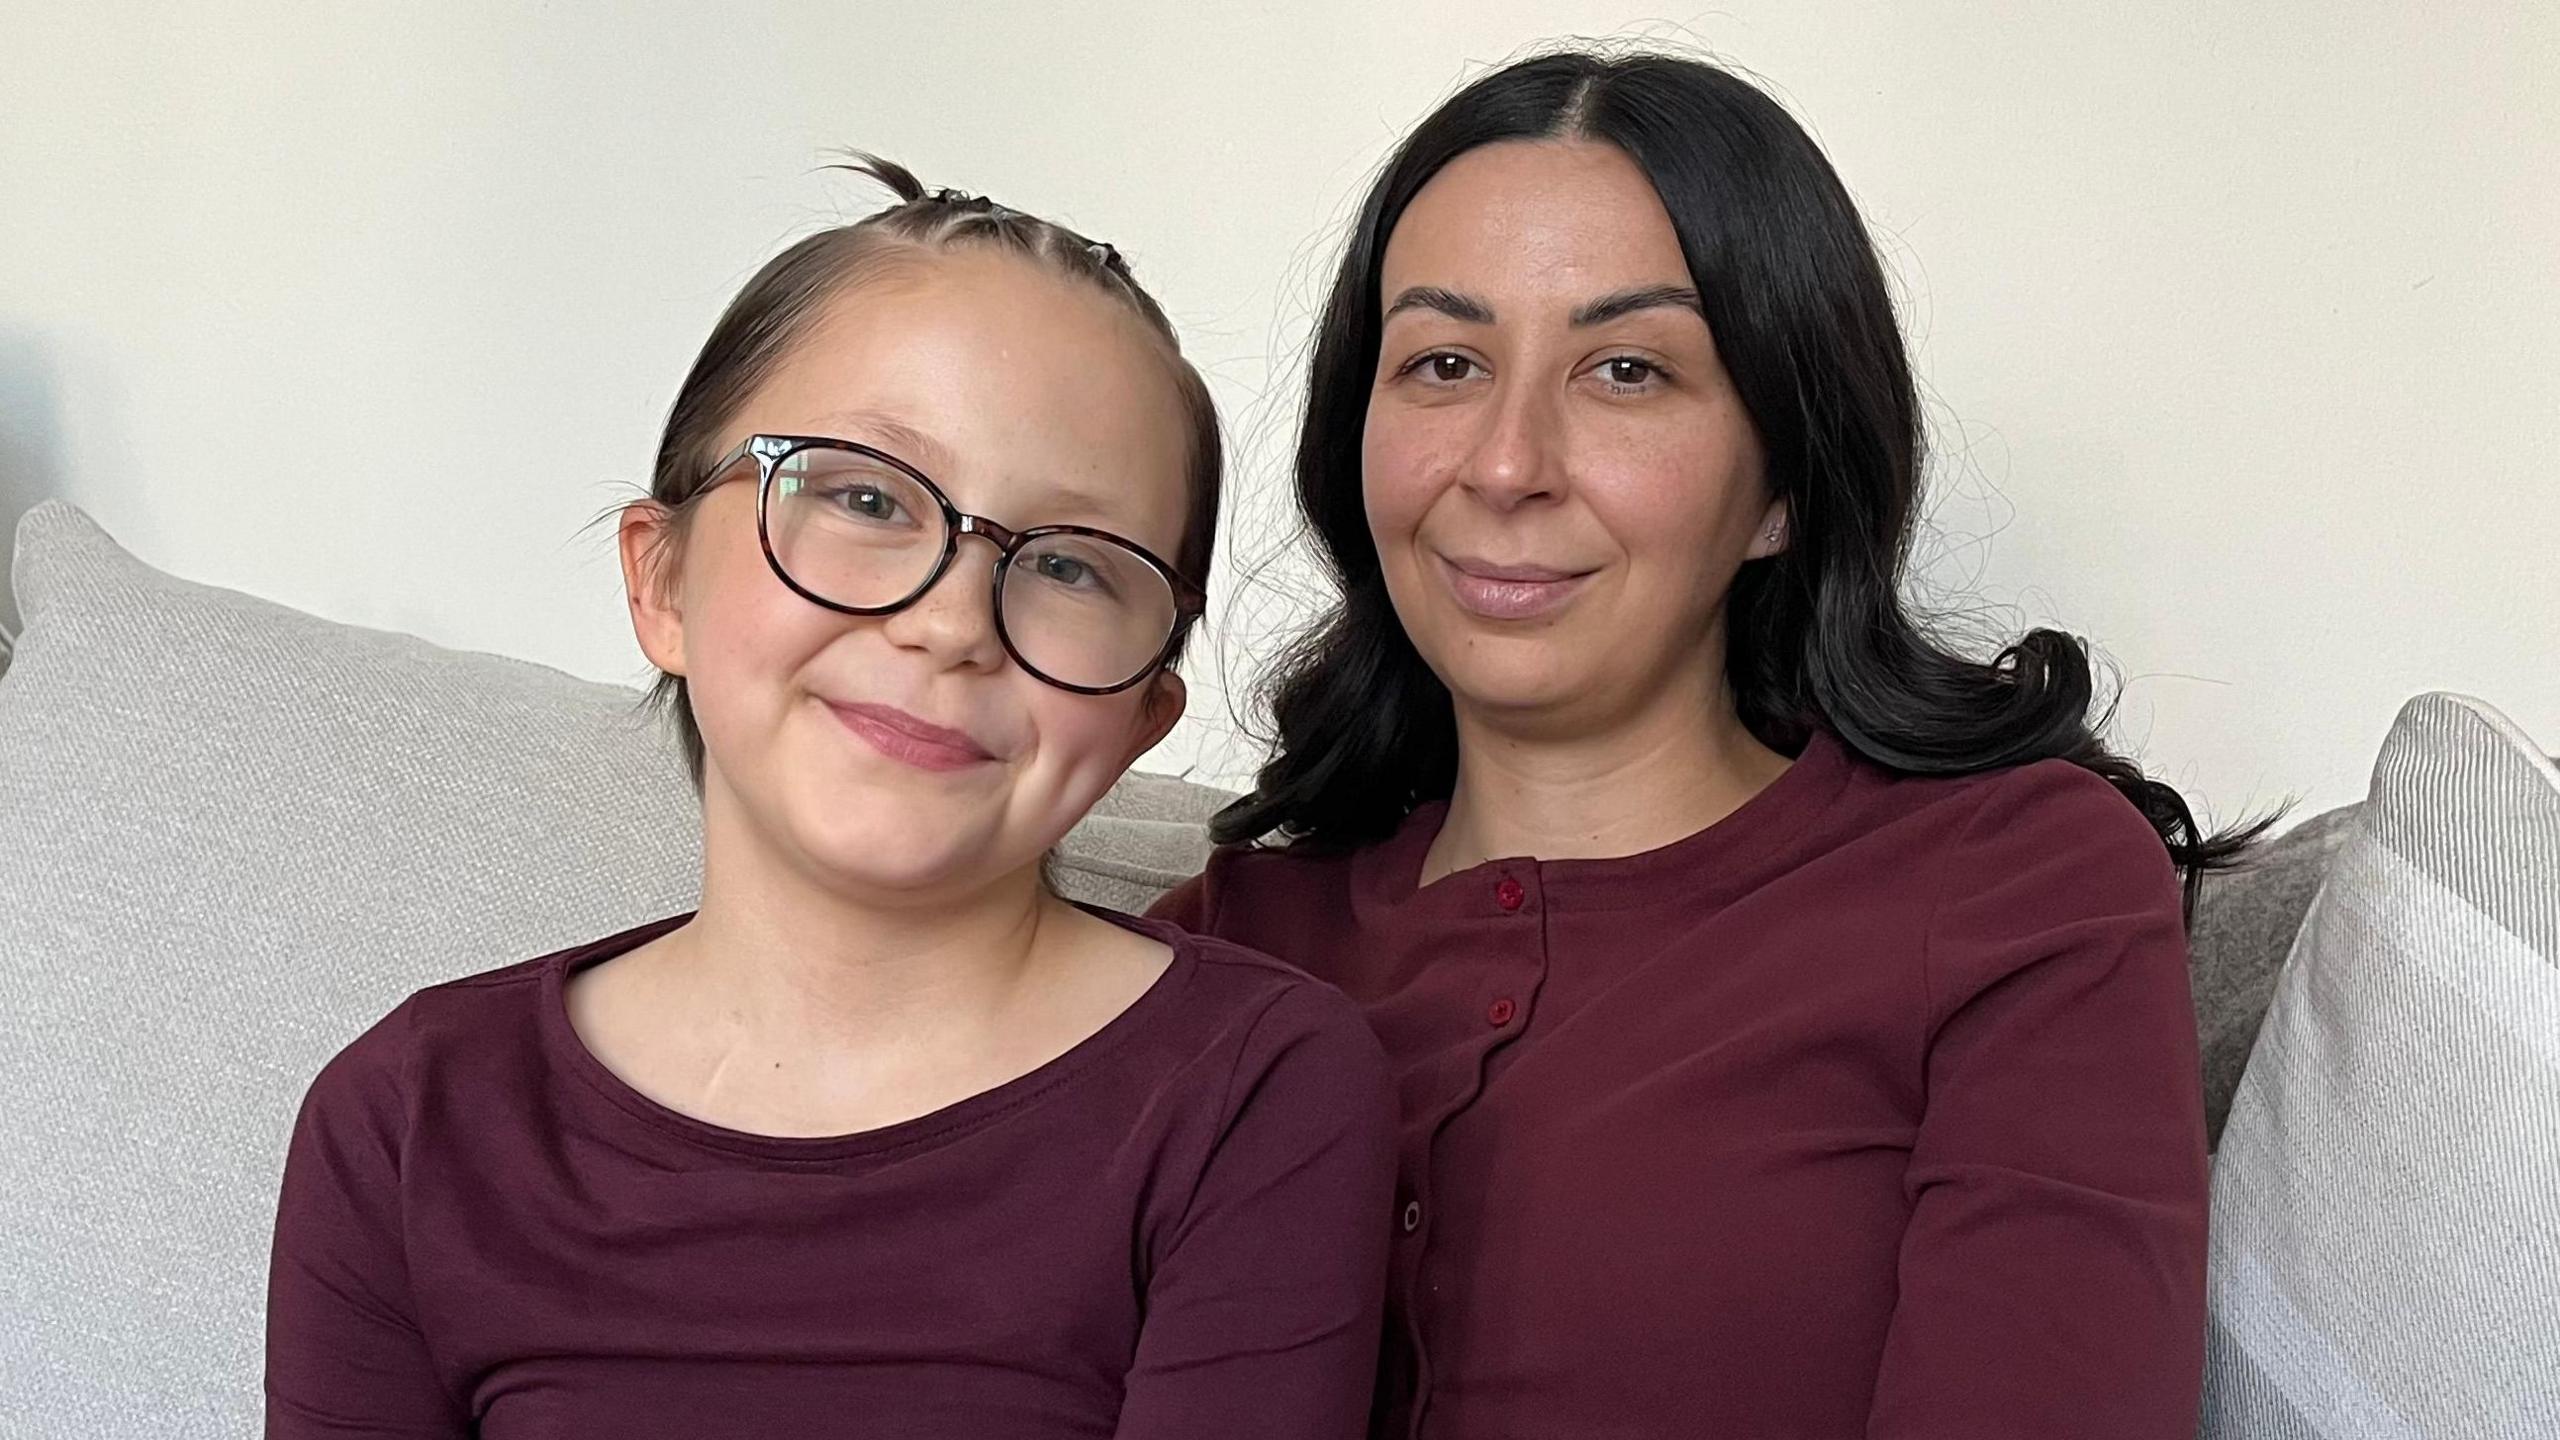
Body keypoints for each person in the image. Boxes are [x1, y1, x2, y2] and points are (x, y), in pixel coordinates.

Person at [1154, 49, 2262, 1439]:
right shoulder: (1214, 947)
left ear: (1783, 488)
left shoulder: (2016, 887)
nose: (1505, 464)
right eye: (1443, 361)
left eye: (1627, 370)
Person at [266, 158, 1397, 1440]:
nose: (952, 622)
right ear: (662, 578)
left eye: (1074, 567)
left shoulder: (1258, 1088)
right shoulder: (410, 1120)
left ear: (1142, 716)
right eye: (864, 496)